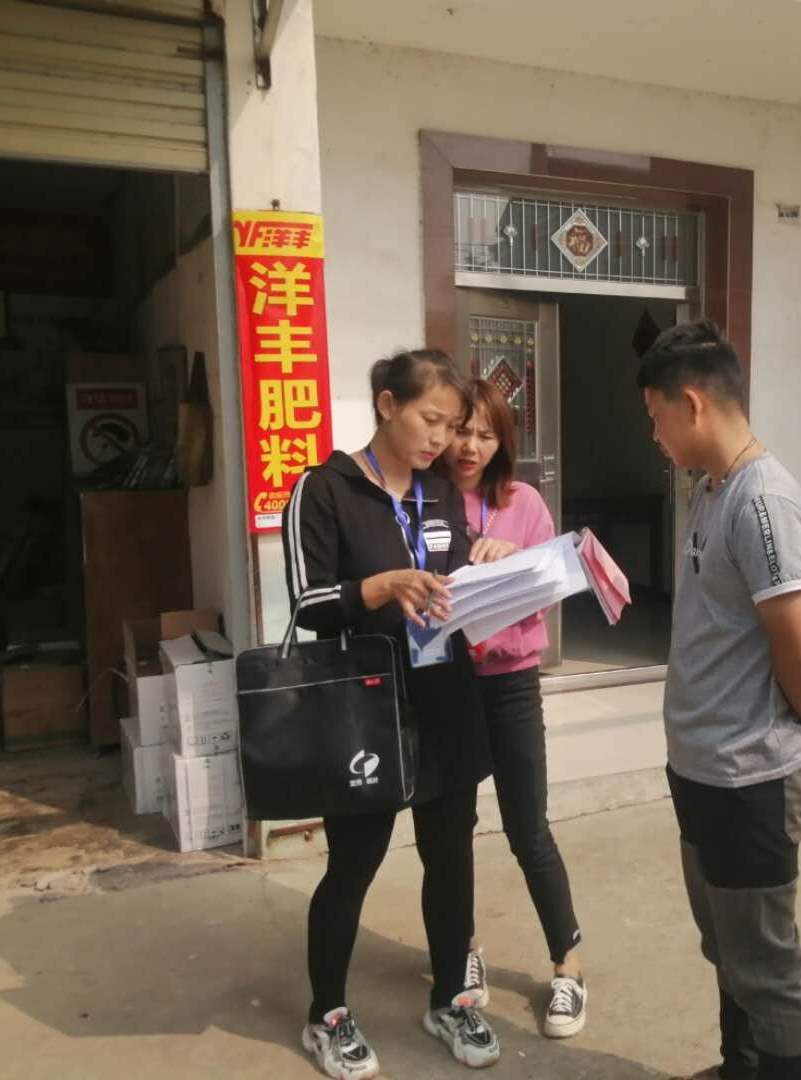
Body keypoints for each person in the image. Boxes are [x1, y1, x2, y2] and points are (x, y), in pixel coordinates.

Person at [636, 320, 801, 1080]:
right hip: (703, 768)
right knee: (726, 945)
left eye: (657, 417)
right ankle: (742, 1066)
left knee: (765, 964)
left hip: (751, 777)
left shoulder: (764, 504)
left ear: (692, 404)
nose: (655, 436)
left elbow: (800, 649)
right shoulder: (713, 490)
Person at [282, 349, 505, 1076]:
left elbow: (454, 585)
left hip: (445, 704)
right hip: (364, 712)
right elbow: (307, 605)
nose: (442, 439)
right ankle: (328, 1014)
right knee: (353, 865)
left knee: (451, 860)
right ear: (387, 405)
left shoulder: (440, 493)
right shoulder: (324, 490)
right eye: (430, 419)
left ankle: (451, 999)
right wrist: (379, 587)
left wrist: (492, 566)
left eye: (452, 425)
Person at [437, 377, 589, 1038]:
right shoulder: (427, 503)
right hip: (448, 687)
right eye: (461, 431)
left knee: (529, 829)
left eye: (485, 434)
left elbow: (549, 591)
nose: (470, 446)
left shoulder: (523, 503)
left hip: (512, 686)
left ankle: (569, 966)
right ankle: (465, 949)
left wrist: (515, 559)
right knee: (453, 831)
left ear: (503, 442)